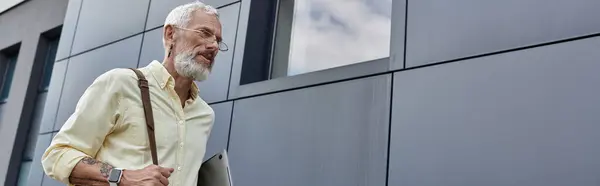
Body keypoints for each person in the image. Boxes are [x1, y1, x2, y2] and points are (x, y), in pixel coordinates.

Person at [41, 1, 225, 185]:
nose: (214, 46)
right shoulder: (121, 84)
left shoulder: (205, 115)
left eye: (218, 40)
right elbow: (57, 155)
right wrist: (121, 177)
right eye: (205, 33)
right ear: (171, 34)